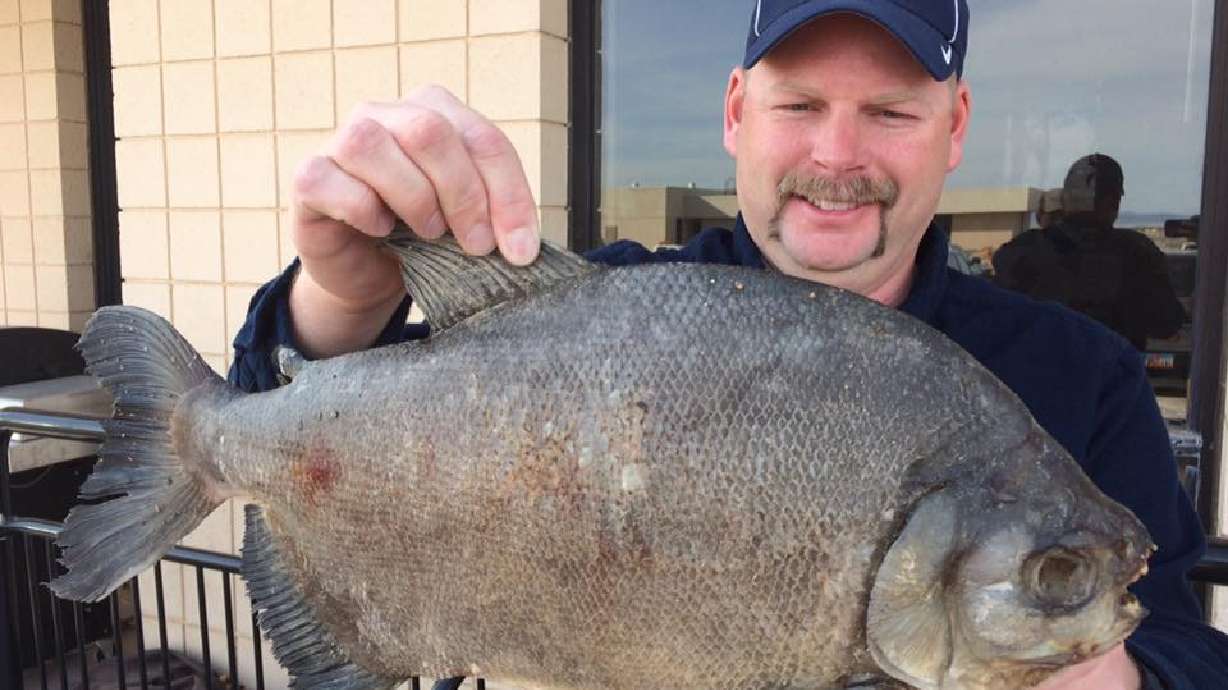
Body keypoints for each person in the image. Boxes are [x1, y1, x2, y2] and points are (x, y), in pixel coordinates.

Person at [230, 1, 1228, 688]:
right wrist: (338, 292)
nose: (837, 156)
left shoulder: (1080, 375)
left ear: (953, 126)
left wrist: (1076, 661)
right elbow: (273, 418)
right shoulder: (612, 305)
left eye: (888, 110)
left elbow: (1188, 646)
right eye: (798, 105)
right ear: (735, 112)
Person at [994, 153, 1187, 350]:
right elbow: (1167, 323)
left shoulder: (1024, 250)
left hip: (1035, 375)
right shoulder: (1135, 252)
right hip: (1110, 376)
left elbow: (998, 319)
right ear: (1113, 202)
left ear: (1066, 198)